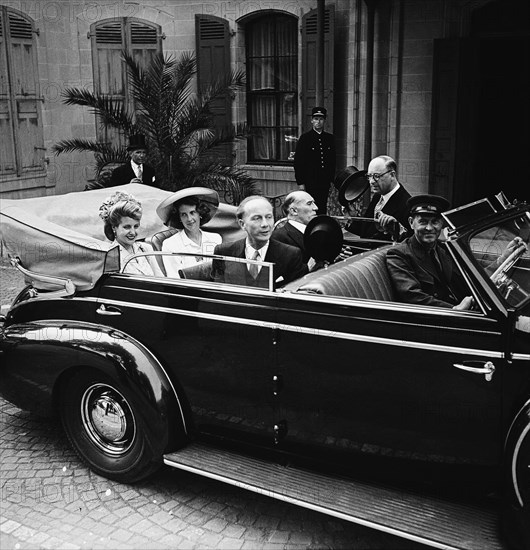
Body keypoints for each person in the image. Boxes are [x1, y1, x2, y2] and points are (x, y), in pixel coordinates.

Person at [386, 194, 474, 310]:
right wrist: (454, 310)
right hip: (434, 319)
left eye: (435, 222)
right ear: (411, 223)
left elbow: (465, 280)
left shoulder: (446, 249)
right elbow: (412, 296)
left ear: (442, 224)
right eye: (423, 222)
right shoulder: (399, 254)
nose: (429, 228)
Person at [213, 196, 307, 289]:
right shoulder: (224, 252)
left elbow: (294, 297)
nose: (265, 224)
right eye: (257, 218)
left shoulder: (291, 255)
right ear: (242, 224)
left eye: (269, 217)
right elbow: (217, 293)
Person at [155, 187, 222, 278]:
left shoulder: (216, 239)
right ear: (179, 218)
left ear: (200, 213)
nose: (189, 219)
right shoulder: (170, 244)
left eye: (192, 212)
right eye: (184, 215)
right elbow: (174, 278)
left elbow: (221, 273)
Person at [346, 155, 411, 241]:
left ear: (392, 175)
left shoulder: (407, 204)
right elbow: (366, 231)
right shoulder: (378, 196)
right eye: (369, 176)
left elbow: (409, 242)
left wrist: (396, 229)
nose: (371, 181)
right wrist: (353, 217)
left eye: (376, 176)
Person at [99, 191, 163, 277]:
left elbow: (160, 279)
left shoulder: (145, 249)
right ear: (114, 227)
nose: (133, 232)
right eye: (127, 227)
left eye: (136, 226)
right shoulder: (110, 257)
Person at [293, 107, 336, 215]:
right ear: (312, 120)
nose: (318, 121)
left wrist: (331, 179)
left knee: (322, 208)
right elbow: (298, 163)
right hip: (310, 182)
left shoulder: (329, 139)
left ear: (324, 120)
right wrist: (301, 183)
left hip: (324, 182)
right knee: (310, 208)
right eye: (316, 119)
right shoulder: (305, 138)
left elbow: (332, 161)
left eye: (321, 119)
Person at [271, 190, 318, 265]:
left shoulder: (317, 231)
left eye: (314, 203)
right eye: (309, 203)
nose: (316, 208)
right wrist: (309, 267)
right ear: (293, 211)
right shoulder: (278, 237)